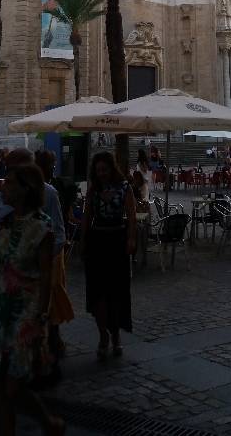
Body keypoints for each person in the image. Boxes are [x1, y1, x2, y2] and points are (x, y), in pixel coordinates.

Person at [0, 163, 65, 436]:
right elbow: (3, 265)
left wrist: (43, 317)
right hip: (0, 308)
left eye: (11, 183)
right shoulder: (5, 222)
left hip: (25, 313)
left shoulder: (42, 228)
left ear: (27, 189)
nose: (4, 186)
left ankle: (47, 422)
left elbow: (47, 277)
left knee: (14, 385)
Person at [0, 149, 66, 292]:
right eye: (9, 169)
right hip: (6, 275)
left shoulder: (49, 194)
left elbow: (59, 236)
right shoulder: (4, 193)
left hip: (31, 281)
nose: (10, 175)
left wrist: (35, 259)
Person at [81, 152, 136, 360]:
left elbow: (131, 216)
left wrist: (131, 240)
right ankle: (102, 334)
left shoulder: (125, 187)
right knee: (98, 294)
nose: (101, 173)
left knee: (116, 293)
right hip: (98, 242)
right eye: (98, 170)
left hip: (117, 242)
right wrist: (83, 241)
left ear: (112, 169)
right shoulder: (94, 189)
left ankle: (115, 336)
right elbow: (87, 216)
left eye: (104, 169)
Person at [34, 151, 74, 370]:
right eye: (51, 165)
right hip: (42, 257)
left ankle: (52, 339)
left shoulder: (50, 192)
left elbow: (58, 230)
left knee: (53, 293)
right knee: (52, 293)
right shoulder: (47, 192)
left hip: (49, 255)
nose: (54, 169)